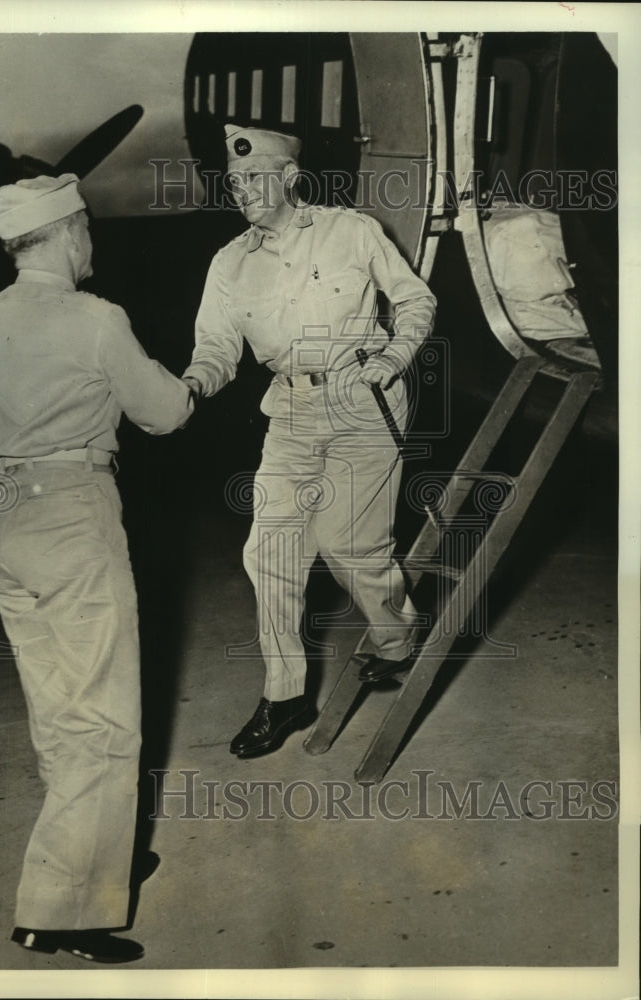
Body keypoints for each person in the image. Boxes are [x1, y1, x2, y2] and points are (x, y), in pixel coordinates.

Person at [0, 173, 194, 964]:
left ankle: (94, 858)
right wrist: (193, 383)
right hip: (72, 515)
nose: (91, 241)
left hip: (4, 522)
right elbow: (163, 412)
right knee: (103, 720)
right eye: (87, 228)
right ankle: (62, 913)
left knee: (58, 709)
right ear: (70, 233)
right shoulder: (95, 319)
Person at [182, 125, 437, 759]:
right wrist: (192, 383)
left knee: (350, 545)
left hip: (362, 398)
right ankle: (285, 694)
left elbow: (415, 299)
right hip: (290, 410)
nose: (241, 189)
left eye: (254, 177)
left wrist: (397, 355)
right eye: (234, 180)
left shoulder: (350, 231)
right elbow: (216, 348)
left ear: (290, 178)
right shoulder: (228, 263)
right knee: (267, 550)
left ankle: (399, 637)